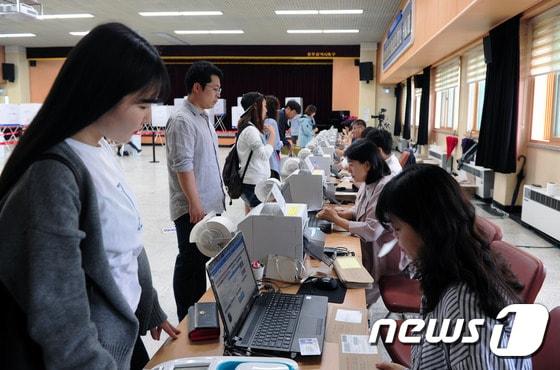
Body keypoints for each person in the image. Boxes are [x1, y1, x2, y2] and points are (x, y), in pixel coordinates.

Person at [0, 23, 179, 370]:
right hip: (91, 354)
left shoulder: (99, 149)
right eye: (142, 105)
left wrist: (148, 307)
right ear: (102, 93)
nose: (148, 118)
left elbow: (127, 244)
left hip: (119, 337)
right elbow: (59, 317)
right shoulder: (52, 175)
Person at [375, 165, 531, 370]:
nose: (395, 239)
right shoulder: (447, 270)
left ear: (429, 228)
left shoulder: (465, 304)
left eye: (398, 229)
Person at [166, 61, 226, 322]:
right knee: (190, 263)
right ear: (196, 87)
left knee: (202, 262)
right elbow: (184, 165)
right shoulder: (182, 120)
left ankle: (201, 313)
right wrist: (194, 203)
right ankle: (188, 319)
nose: (218, 95)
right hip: (194, 208)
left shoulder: (203, 117)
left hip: (210, 205)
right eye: (214, 89)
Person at [317, 139, 400, 303]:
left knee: (354, 298)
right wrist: (340, 212)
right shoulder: (368, 182)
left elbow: (371, 230)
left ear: (367, 165)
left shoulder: (385, 187)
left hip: (382, 255)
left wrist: (336, 219)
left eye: (353, 164)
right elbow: (359, 210)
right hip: (368, 247)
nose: (349, 168)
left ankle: (362, 315)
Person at [236, 92, 276, 214]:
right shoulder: (250, 130)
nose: (266, 110)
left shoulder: (251, 128)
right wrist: (272, 136)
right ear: (255, 107)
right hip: (253, 183)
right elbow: (263, 155)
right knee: (257, 219)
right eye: (263, 106)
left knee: (253, 217)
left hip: (254, 181)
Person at [264, 95, 283, 179]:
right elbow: (276, 144)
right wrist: (282, 143)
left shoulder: (262, 121)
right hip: (272, 160)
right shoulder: (272, 122)